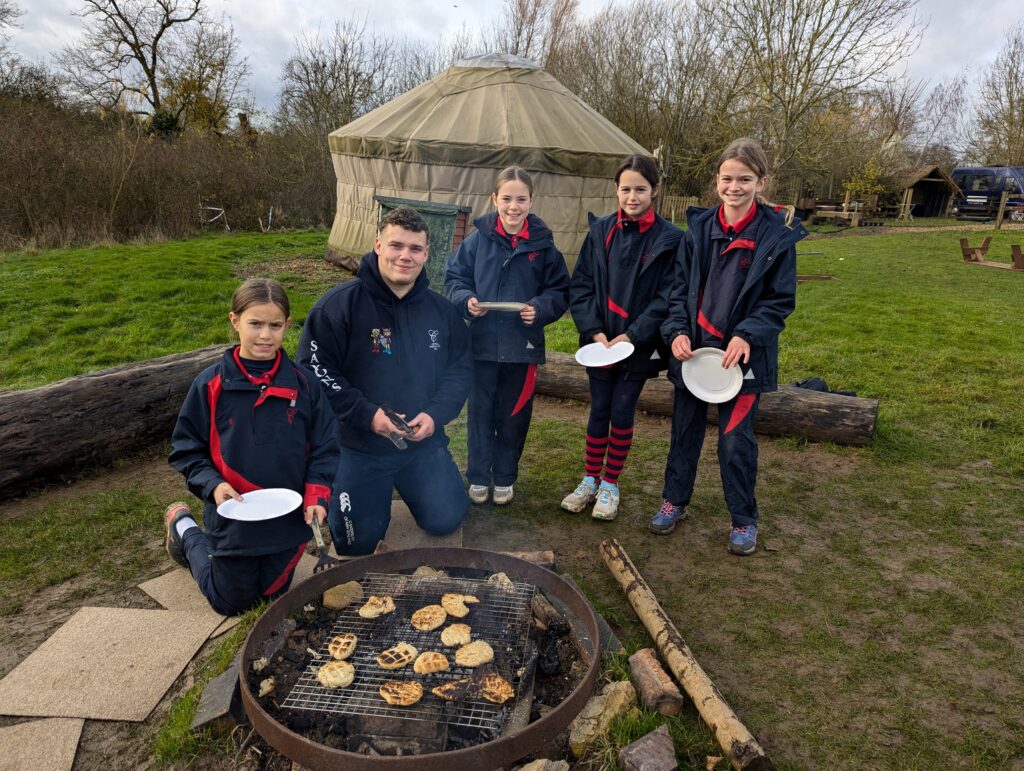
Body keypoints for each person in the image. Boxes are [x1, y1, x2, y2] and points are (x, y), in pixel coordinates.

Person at [649, 137, 806, 555]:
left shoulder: (776, 236)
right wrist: (677, 331)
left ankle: (742, 520)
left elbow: (779, 302)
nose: (734, 187)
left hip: (741, 360)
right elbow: (678, 289)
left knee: (736, 441)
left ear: (761, 181)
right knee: (684, 433)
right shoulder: (698, 228)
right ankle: (674, 501)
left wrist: (747, 334)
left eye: (745, 179)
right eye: (727, 178)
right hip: (694, 355)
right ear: (716, 180)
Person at [297, 206, 473, 555]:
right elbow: (314, 371)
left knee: (447, 518)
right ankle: (353, 489)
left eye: (415, 248)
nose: (405, 256)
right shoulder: (336, 307)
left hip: (421, 442)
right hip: (358, 446)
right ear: (378, 245)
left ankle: (410, 483)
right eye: (396, 246)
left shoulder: (442, 312)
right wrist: (366, 414)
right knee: (354, 543)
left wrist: (436, 415)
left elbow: (461, 368)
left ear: (426, 253)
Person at [164, 278, 339, 616]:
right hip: (233, 516)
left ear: (287, 325)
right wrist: (213, 486)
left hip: (287, 520)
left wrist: (317, 495)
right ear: (235, 321)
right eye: (255, 323)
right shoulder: (210, 385)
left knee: (273, 597)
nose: (265, 335)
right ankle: (184, 528)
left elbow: (325, 446)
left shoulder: (304, 384)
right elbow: (186, 450)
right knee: (232, 603)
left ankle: (263, 563)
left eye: (275, 325)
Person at [560, 155, 683, 520]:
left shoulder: (671, 239)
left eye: (640, 189)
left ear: (655, 190)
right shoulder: (599, 231)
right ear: (616, 190)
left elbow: (669, 295)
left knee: (621, 411)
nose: (632, 196)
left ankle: (610, 484)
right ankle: (589, 479)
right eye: (626, 188)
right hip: (600, 344)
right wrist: (592, 329)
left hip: (638, 345)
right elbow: (580, 285)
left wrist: (633, 334)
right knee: (598, 410)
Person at [444, 166, 570, 505]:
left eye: (521, 199)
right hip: (482, 344)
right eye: (507, 199)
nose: (513, 206)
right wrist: (467, 302)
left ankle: (504, 476)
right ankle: (479, 476)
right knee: (480, 414)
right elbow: (454, 279)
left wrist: (539, 309)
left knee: (513, 415)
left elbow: (559, 290)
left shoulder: (543, 247)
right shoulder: (476, 241)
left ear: (531, 201)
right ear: (494, 199)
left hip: (523, 348)